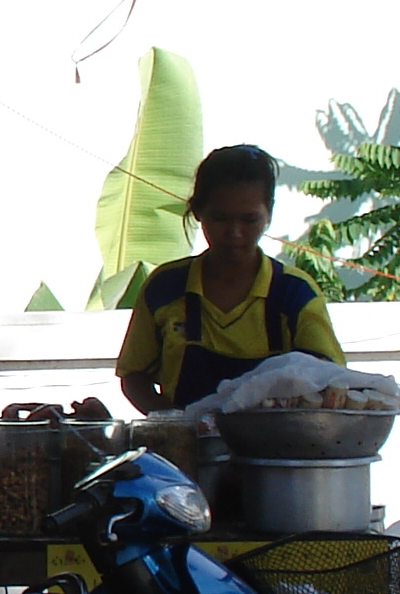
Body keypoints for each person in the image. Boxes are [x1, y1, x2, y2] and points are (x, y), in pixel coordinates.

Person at [114, 144, 344, 414]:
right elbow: (134, 376)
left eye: (249, 220)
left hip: (276, 450)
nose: (235, 233)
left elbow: (330, 381)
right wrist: (177, 423)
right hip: (188, 449)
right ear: (198, 212)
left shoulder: (295, 293)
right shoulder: (165, 288)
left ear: (268, 215)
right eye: (220, 218)